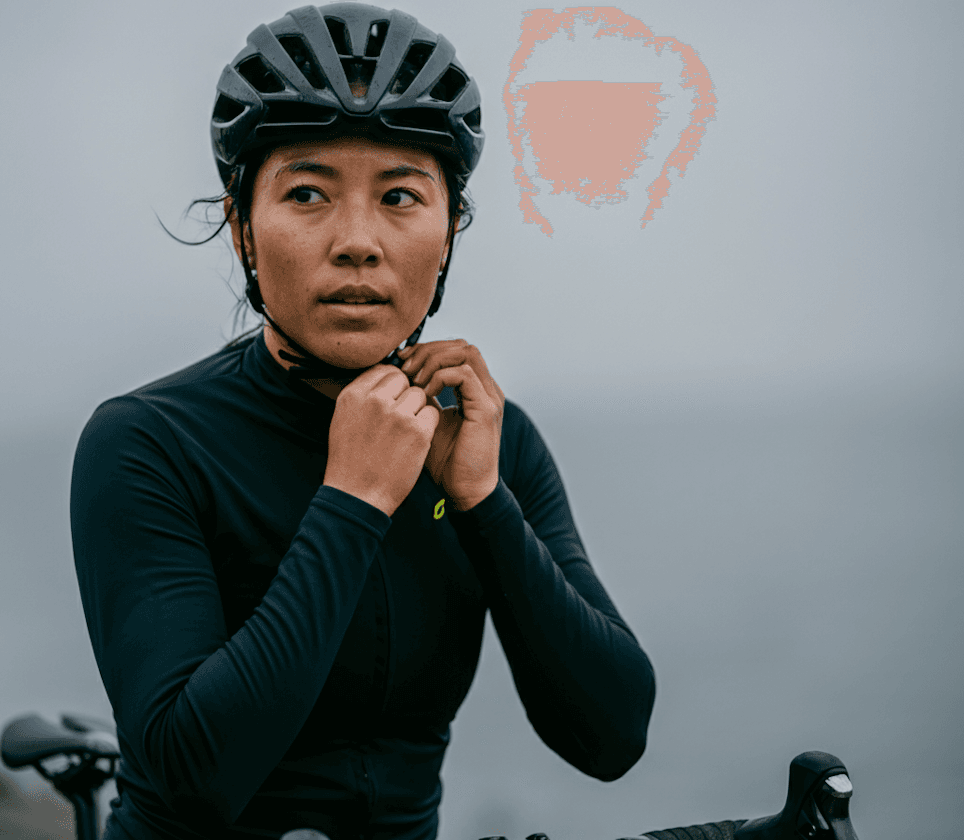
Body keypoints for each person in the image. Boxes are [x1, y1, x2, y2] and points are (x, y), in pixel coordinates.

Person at [70, 5, 656, 839]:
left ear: (449, 232)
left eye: (401, 197)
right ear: (241, 228)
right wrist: (353, 500)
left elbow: (613, 736)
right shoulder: (148, 442)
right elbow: (194, 778)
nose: (357, 242)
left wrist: (485, 503)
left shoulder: (492, 437)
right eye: (306, 193)